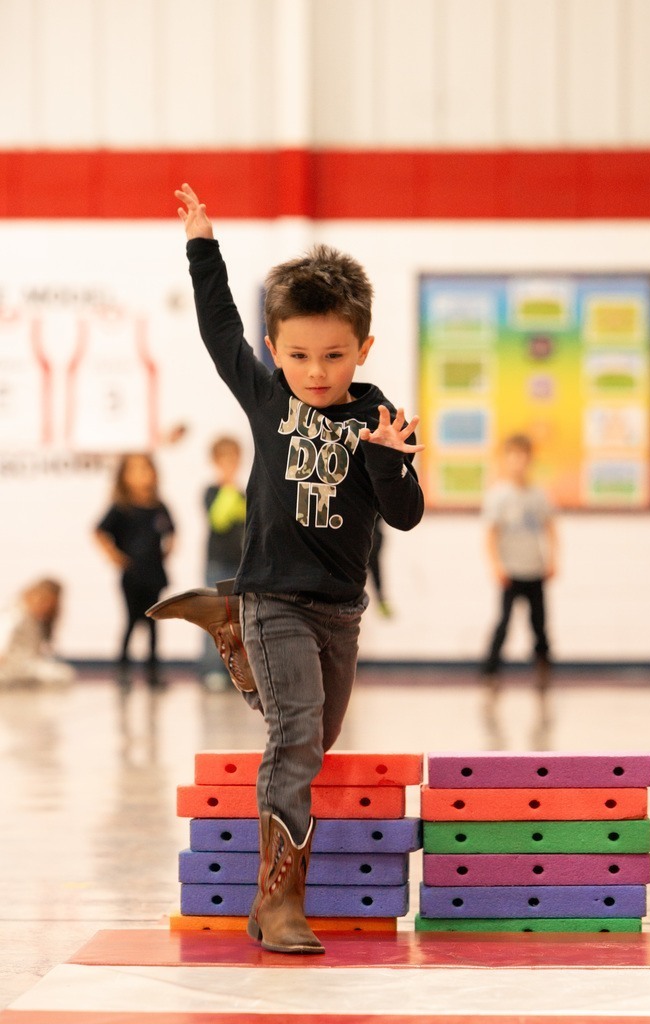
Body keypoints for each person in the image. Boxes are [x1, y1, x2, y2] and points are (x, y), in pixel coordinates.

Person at [148, 183, 424, 954]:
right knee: (297, 733)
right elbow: (218, 326)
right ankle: (276, 900)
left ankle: (231, 641)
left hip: (340, 608)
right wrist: (203, 246)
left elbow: (402, 516)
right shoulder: (268, 394)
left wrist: (393, 466)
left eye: (334, 355)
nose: (315, 370)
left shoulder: (378, 418)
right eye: (298, 354)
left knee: (316, 735)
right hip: (273, 594)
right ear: (276, 351)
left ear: (363, 349)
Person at [481, 434, 558, 732]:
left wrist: (552, 559)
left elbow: (551, 528)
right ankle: (490, 673)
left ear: (529, 459)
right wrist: (496, 565)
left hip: (534, 569)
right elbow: (490, 534)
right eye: (513, 456)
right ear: (505, 459)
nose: (519, 462)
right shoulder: (499, 495)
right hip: (510, 571)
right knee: (503, 622)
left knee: (539, 624)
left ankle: (543, 669)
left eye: (523, 456)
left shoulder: (537, 495)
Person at [94, 453, 175, 687]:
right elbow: (99, 532)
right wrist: (116, 557)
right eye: (135, 470)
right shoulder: (122, 508)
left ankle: (152, 671)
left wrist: (165, 553)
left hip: (154, 574)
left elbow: (171, 532)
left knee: (153, 623)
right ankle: (123, 669)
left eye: (146, 469)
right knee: (131, 621)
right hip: (132, 575)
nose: (142, 475)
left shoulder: (158, 506)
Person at [199, 436, 246, 691]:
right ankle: (211, 670)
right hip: (218, 563)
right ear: (215, 462)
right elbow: (218, 520)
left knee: (237, 620)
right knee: (215, 618)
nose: (230, 464)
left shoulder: (241, 493)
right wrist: (228, 487)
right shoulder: (212, 492)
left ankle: (237, 671)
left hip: (240, 565)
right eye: (224, 459)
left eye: (234, 459)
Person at [0, 578, 75, 687]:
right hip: (12, 665)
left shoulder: (36, 619)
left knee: (63, 673)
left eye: (50, 605)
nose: (45, 607)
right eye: (44, 601)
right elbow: (4, 634)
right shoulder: (16, 614)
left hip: (26, 665)